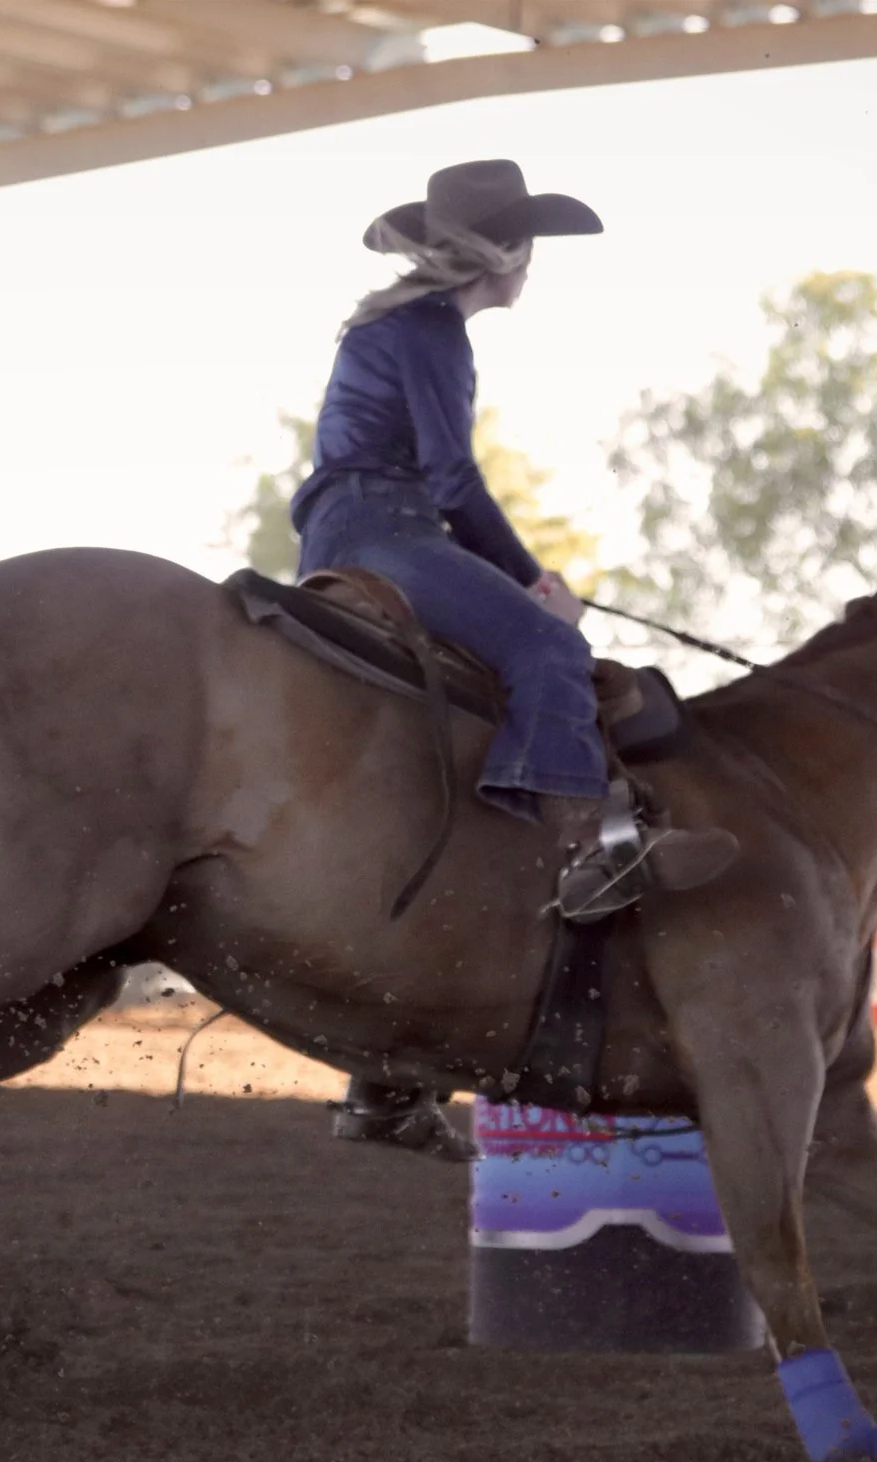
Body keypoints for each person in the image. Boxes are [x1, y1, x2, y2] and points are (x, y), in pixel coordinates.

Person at [291, 161, 737, 1160]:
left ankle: (388, 1078)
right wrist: (538, 584)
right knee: (545, 650)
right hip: (386, 527)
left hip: (348, 528)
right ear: (505, 256)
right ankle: (579, 853)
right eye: (530, 247)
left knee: (482, 701)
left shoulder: (398, 329)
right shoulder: (434, 334)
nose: (536, 266)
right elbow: (452, 477)